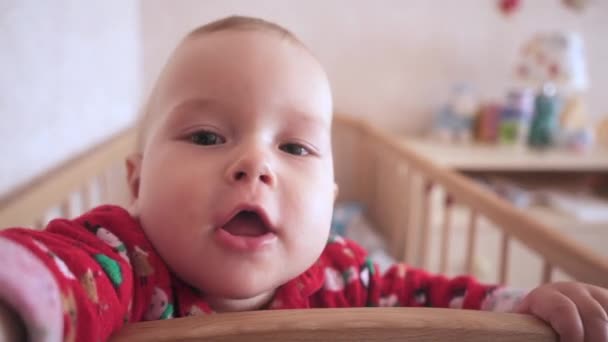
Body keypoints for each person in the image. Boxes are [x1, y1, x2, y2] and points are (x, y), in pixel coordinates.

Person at [0, 16, 606, 342]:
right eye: (208, 137)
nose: (255, 165)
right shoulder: (123, 260)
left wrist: (523, 305)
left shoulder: (347, 275)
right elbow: (54, 271)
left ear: (333, 200)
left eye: (294, 147)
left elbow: (442, 301)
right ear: (136, 181)